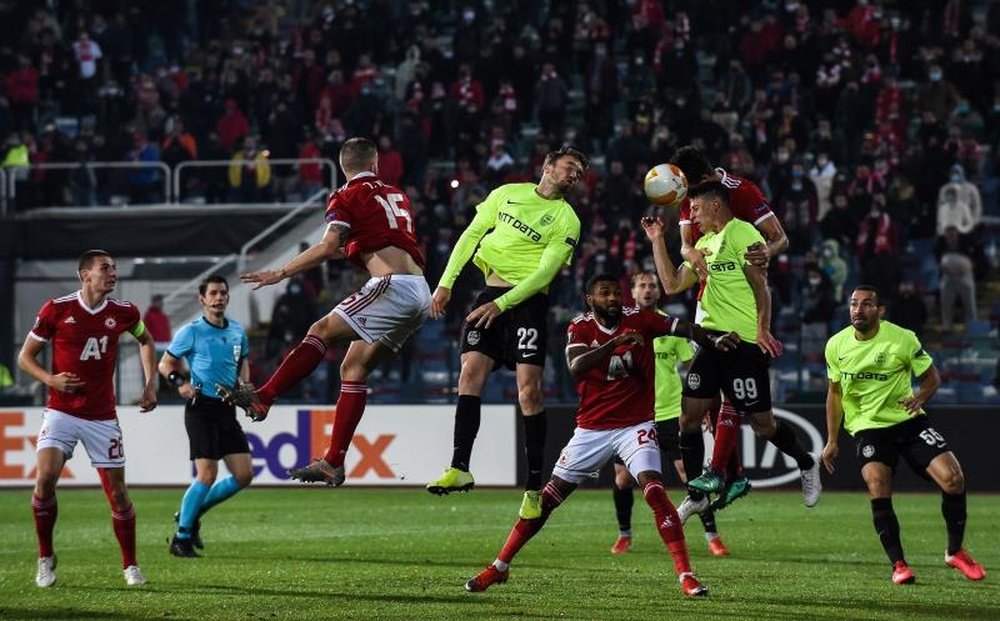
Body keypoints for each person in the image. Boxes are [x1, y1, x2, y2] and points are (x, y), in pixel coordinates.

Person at [464, 273, 740, 597]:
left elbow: (685, 329)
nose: (612, 299)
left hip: (635, 425)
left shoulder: (642, 319)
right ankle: (499, 567)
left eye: (616, 293)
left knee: (654, 490)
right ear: (590, 300)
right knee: (546, 500)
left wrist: (712, 340)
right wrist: (614, 344)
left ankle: (686, 575)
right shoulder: (579, 327)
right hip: (591, 429)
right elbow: (576, 366)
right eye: (604, 294)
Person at [219, 137, 430, 486]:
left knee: (319, 331)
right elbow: (371, 242)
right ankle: (333, 461)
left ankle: (264, 398)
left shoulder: (345, 196)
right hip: (419, 291)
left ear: (343, 167)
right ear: (375, 165)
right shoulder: (396, 194)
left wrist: (281, 272)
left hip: (393, 286)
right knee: (354, 367)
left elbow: (329, 244)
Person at [424, 146, 587, 521]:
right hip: (490, 295)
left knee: (528, 392)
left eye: (579, 172)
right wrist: (446, 283)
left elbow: (544, 274)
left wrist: (503, 305)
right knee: (469, 374)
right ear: (547, 166)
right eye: (569, 167)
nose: (574, 175)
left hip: (527, 303)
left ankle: (533, 488)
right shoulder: (505, 193)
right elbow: (471, 235)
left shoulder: (567, 219)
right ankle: (460, 467)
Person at [642, 181, 821, 520]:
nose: (691, 216)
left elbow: (761, 287)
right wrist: (657, 243)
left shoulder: (743, 233)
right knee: (689, 418)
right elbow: (671, 285)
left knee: (764, 426)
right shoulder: (704, 245)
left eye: (695, 209)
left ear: (715, 206)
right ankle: (696, 493)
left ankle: (805, 461)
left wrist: (763, 328)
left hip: (743, 344)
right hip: (711, 341)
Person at [821, 285, 986, 585]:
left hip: (908, 420)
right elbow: (835, 393)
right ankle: (899, 564)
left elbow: (931, 377)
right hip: (868, 427)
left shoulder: (902, 338)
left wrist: (921, 397)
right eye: (854, 304)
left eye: (867, 304)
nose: (858, 310)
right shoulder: (836, 345)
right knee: (877, 483)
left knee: (954, 479)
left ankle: (954, 551)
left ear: (880, 310)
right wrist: (832, 440)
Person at [17, 249, 158, 587]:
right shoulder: (57, 309)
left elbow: (146, 339)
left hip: (101, 416)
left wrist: (151, 383)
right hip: (61, 411)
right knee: (45, 478)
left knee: (118, 493)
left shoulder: (124, 313)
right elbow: (25, 357)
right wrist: (51, 380)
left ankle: (130, 564)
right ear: (85, 275)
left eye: (114, 268)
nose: (113, 273)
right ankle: (45, 557)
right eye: (105, 268)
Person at [668, 145, 792, 516]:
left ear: (704, 180)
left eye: (690, 193)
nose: (687, 203)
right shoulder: (685, 196)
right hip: (709, 300)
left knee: (735, 402)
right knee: (703, 408)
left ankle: (722, 475)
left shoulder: (743, 191)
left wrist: (767, 252)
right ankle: (724, 477)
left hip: (745, 296)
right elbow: (687, 247)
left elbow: (781, 238)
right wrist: (690, 255)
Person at [608, 271, 729, 558]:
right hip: (634, 415)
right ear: (633, 293)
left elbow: (692, 369)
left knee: (691, 475)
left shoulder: (668, 327)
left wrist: (702, 406)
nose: (648, 290)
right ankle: (624, 534)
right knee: (623, 479)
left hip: (670, 412)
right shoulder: (622, 327)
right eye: (642, 286)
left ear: (658, 292)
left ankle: (712, 535)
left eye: (652, 285)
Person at [158, 275, 252, 557]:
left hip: (227, 407)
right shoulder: (192, 331)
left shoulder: (237, 330)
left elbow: (243, 360)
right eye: (213, 293)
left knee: (244, 475)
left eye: (223, 293)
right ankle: (181, 538)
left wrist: (246, 385)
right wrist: (180, 383)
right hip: (201, 408)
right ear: (202, 299)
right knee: (207, 475)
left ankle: (192, 513)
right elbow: (166, 363)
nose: (219, 297)